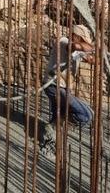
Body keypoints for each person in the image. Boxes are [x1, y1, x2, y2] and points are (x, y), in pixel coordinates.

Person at [39, 26, 95, 154]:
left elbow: (91, 59)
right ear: (75, 36)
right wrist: (95, 48)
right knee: (86, 115)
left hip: (63, 87)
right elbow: (77, 47)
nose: (83, 42)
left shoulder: (77, 51)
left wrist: (107, 59)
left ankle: (50, 140)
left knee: (59, 113)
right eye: (82, 39)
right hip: (53, 86)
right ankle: (52, 128)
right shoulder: (63, 41)